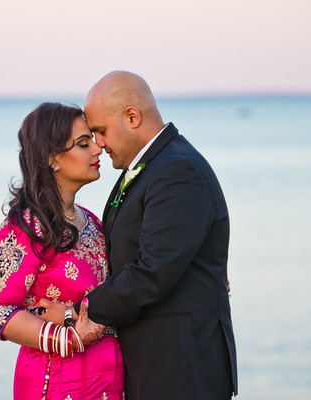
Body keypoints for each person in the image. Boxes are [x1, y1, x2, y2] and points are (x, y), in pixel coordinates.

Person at [39, 71, 238, 399]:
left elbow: (151, 272)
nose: (98, 144)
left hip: (181, 370)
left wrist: (76, 312)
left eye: (101, 131)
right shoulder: (151, 168)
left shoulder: (178, 171)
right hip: (154, 367)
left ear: (132, 116)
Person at [0, 102, 124, 400]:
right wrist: (65, 337)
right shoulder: (27, 227)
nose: (97, 149)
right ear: (51, 158)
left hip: (111, 381)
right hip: (57, 381)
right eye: (83, 143)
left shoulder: (92, 222)